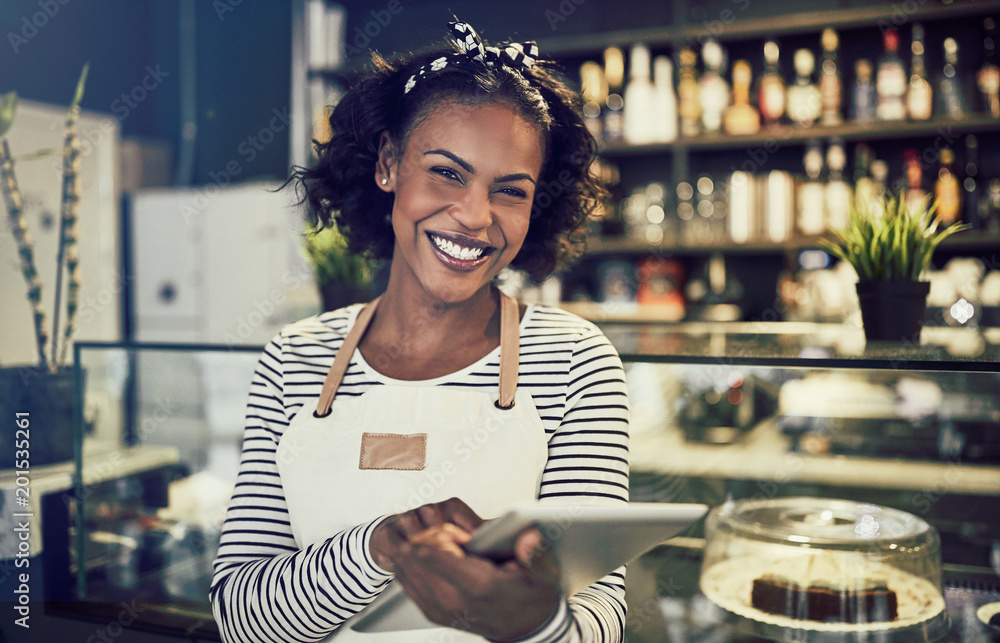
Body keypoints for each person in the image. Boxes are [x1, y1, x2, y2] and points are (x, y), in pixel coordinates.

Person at [210, 20, 630, 643]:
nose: (474, 216)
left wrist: (536, 622)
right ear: (388, 164)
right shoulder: (294, 359)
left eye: (509, 191)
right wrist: (382, 547)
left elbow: (601, 617)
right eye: (447, 172)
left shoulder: (575, 361)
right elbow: (239, 616)